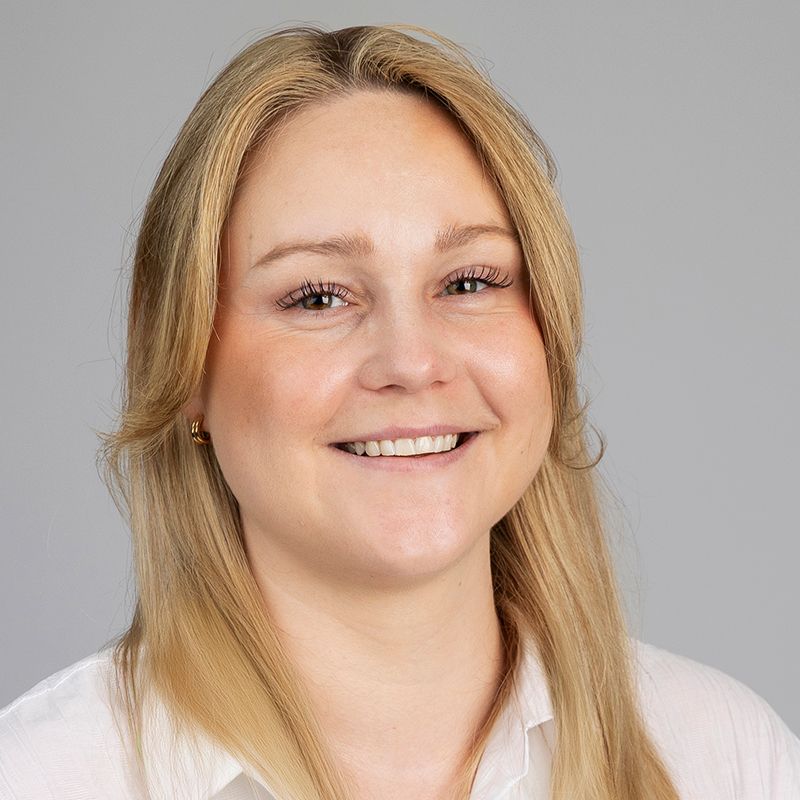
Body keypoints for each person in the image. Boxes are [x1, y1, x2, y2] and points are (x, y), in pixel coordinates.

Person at [0, 22, 798, 800]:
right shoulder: (42, 777)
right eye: (317, 296)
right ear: (183, 358)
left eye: (468, 282)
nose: (412, 363)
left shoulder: (724, 759)